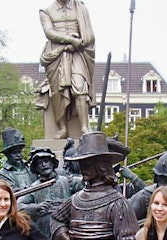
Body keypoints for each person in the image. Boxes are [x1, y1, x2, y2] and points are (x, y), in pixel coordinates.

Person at [39, 0, 96, 139]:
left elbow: (89, 34)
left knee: (80, 88)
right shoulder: (45, 11)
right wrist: (70, 40)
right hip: (56, 54)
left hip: (77, 53)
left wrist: (77, 43)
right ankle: (63, 128)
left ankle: (84, 129)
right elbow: (49, 32)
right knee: (58, 92)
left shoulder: (81, 7)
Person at [0, 127, 34, 191]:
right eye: (14, 153)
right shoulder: (2, 175)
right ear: (7, 155)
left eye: (19, 152)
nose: (18, 155)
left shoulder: (31, 168)